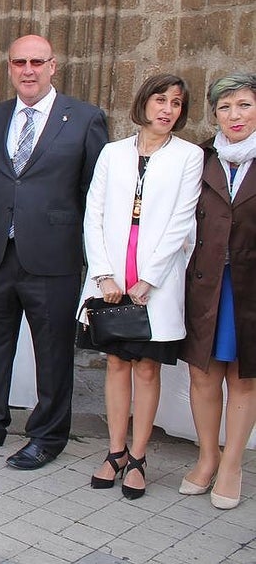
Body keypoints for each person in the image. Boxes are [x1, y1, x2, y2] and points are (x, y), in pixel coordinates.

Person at [0, 34, 107, 469]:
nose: (28, 70)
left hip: (52, 258)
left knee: (52, 353)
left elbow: (94, 193)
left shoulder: (85, 118)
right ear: (9, 67)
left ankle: (48, 436)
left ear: (53, 66)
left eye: (37, 62)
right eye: (19, 62)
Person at [79, 74, 202, 499]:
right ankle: (114, 452)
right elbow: (93, 213)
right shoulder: (113, 153)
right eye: (160, 100)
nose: (167, 109)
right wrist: (103, 274)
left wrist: (149, 278)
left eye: (176, 103)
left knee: (147, 368)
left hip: (157, 281)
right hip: (111, 278)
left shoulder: (188, 157)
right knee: (116, 363)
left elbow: (182, 221)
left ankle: (138, 457)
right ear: (144, 103)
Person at [178, 72, 256, 511]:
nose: (234, 115)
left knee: (243, 375)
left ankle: (232, 465)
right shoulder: (201, 157)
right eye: (225, 107)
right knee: (203, 373)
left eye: (244, 105)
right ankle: (208, 456)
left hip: (249, 285)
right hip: (205, 282)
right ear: (214, 115)